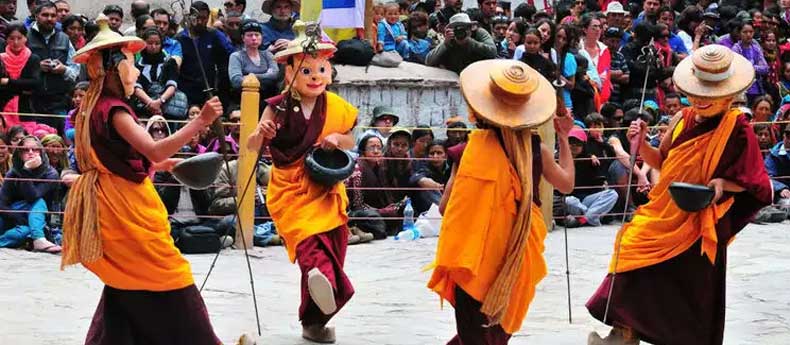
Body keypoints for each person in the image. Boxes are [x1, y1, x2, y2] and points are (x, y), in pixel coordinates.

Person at [59, 16, 254, 345]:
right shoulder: (114, 110)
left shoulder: (93, 105)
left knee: (127, 278)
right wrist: (200, 122)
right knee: (167, 271)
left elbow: (127, 158)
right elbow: (152, 146)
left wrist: (166, 164)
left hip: (112, 198)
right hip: (122, 205)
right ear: (113, 68)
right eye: (130, 64)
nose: (135, 73)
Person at [586, 45, 773, 345]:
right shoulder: (681, 119)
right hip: (665, 210)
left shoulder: (737, 127)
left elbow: (756, 183)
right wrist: (639, 142)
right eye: (697, 92)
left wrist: (723, 185)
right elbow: (663, 161)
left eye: (709, 95)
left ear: (727, 94)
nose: (701, 100)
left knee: (690, 290)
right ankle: (623, 332)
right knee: (632, 252)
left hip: (701, 218)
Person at [428, 59, 575, 344]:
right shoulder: (536, 148)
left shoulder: (470, 150)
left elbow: (446, 206)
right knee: (493, 332)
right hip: (516, 257)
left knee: (475, 333)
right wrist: (564, 138)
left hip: (473, 258)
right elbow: (567, 185)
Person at [246, 21, 357, 343]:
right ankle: (316, 275)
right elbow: (253, 145)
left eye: (321, 69)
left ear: (330, 71)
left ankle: (314, 324)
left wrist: (337, 138)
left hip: (327, 189)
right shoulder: (277, 106)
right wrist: (260, 133)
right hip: (291, 189)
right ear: (290, 71)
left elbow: (352, 139)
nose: (316, 77)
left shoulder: (335, 106)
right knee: (309, 242)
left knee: (333, 250)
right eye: (307, 71)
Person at [0, 135, 61, 253]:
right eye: (25, 150)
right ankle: (37, 238)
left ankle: (38, 238)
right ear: (19, 154)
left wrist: (26, 171)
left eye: (35, 149)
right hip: (15, 215)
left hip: (39, 217)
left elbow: (33, 196)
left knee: (24, 230)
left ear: (41, 152)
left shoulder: (51, 174)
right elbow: (2, 203)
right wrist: (17, 217)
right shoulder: (13, 173)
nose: (31, 153)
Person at [27, 1, 79, 132]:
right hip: (32, 101)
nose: (49, 19)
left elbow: (75, 70)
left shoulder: (65, 39)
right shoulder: (25, 37)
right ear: (36, 16)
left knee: (61, 142)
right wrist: (37, 67)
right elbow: (15, 68)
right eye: (45, 15)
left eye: (53, 15)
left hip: (58, 102)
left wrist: (64, 69)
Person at [564, 127, 618, 227]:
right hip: (571, 202)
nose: (574, 146)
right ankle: (591, 216)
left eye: (578, 143)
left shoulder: (590, 160)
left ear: (583, 145)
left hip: (587, 199)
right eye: (571, 142)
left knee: (612, 193)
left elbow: (598, 182)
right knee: (569, 200)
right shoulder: (558, 159)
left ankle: (584, 219)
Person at [228, 20, 279, 109]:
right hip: (243, 100)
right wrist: (265, 76)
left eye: (257, 35)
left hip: (267, 99)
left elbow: (274, 74)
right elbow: (236, 81)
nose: (254, 38)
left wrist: (250, 76)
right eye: (249, 35)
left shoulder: (268, 55)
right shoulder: (236, 56)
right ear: (243, 38)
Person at [426, 13, 498, 74]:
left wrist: (470, 42)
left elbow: (493, 52)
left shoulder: (479, 33)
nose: (460, 32)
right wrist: (445, 44)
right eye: (457, 29)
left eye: (464, 28)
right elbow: (428, 61)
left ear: (471, 28)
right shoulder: (449, 40)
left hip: (479, 74)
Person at [0, 23, 41, 128]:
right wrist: (23, 87)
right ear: (6, 40)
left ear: (25, 38)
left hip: (26, 109)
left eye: (19, 38)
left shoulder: (33, 59)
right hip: (3, 107)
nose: (16, 42)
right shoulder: (1, 59)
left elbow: (35, 84)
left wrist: (8, 82)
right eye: (11, 38)